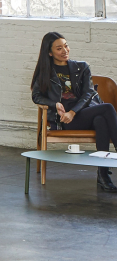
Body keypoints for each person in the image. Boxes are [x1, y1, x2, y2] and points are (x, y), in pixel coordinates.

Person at [31, 32, 117, 192]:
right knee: (107, 109)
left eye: (66, 46)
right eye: (59, 48)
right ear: (49, 52)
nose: (65, 50)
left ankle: (103, 176)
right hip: (64, 119)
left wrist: (73, 112)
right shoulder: (45, 72)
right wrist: (55, 104)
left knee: (101, 119)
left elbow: (88, 93)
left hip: (81, 114)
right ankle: (104, 175)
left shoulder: (82, 67)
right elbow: (36, 96)